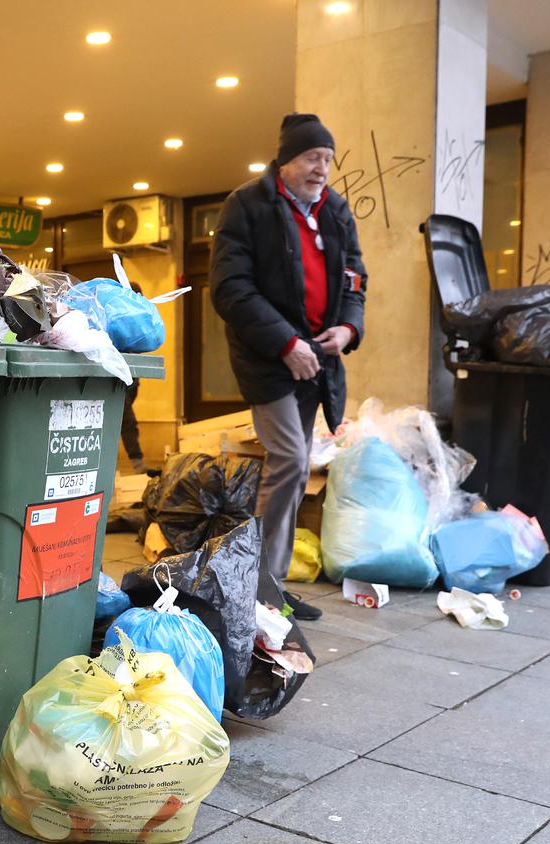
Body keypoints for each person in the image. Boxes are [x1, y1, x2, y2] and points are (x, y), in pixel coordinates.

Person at [210, 112, 367, 621]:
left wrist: (348, 328)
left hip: (318, 359)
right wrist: (285, 343)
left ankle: (267, 581)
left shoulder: (336, 210)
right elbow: (231, 288)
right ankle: (262, 587)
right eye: (311, 158)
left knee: (293, 472)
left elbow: (355, 278)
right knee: (291, 462)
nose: (321, 168)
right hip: (270, 359)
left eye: (328, 159)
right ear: (286, 160)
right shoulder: (248, 205)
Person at [120, 280, 149, 474]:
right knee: (126, 420)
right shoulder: (118, 312)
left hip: (131, 377)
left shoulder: (137, 315)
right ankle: (138, 465)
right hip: (119, 376)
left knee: (124, 420)